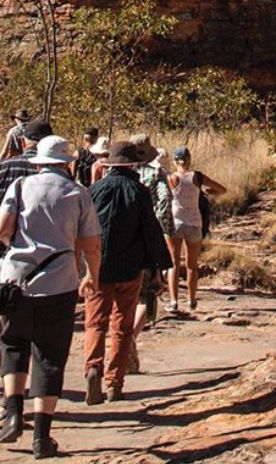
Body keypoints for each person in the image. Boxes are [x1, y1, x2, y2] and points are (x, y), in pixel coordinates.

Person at [0, 135, 102, 459]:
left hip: (16, 281)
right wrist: (91, 275)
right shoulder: (77, 192)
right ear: (66, 162)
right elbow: (91, 242)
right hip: (60, 282)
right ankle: (41, 436)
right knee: (50, 356)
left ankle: (12, 411)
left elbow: (0, 230)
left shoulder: (21, 186)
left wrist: (20, 245)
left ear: (39, 161)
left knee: (13, 343)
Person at [0, 118, 54, 423]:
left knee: (8, 327)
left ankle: (9, 395)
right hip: (47, 260)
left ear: (22, 141)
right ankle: (33, 394)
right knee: (42, 330)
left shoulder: (3, 168)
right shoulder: (57, 170)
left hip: (4, 260)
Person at [86, 142, 171, 403]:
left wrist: (82, 266)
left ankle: (93, 368)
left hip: (98, 267)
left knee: (95, 323)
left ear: (109, 165)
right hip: (129, 268)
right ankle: (114, 383)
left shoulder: (94, 190)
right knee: (122, 326)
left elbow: (83, 229)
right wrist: (158, 268)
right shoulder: (139, 191)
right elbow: (151, 232)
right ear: (134, 164)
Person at [129, 136, 174, 373]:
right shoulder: (155, 174)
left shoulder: (116, 171)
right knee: (148, 295)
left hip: (117, 242)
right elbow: (165, 200)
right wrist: (163, 226)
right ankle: (130, 339)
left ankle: (119, 341)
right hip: (146, 239)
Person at [166, 146, 227, 313]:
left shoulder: (170, 178)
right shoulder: (197, 177)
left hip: (176, 222)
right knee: (192, 264)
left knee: (174, 263)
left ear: (174, 161)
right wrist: (207, 191)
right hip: (194, 223)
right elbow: (222, 189)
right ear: (189, 159)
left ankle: (173, 301)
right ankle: (191, 300)